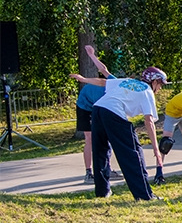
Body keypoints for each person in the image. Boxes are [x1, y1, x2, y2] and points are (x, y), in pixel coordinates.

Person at [70, 66, 168, 201]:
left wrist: (84, 79)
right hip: (113, 113)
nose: (160, 88)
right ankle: (144, 195)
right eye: (161, 84)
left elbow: (102, 82)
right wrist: (156, 149)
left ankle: (102, 192)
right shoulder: (147, 91)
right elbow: (148, 121)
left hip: (98, 109)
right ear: (154, 81)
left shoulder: (128, 81)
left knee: (101, 151)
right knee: (133, 153)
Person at [74, 45, 121, 183]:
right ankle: (88, 173)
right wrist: (91, 55)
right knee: (90, 138)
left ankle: (107, 169)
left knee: (106, 137)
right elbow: (103, 70)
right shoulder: (114, 83)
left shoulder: (120, 96)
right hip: (85, 106)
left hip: (98, 106)